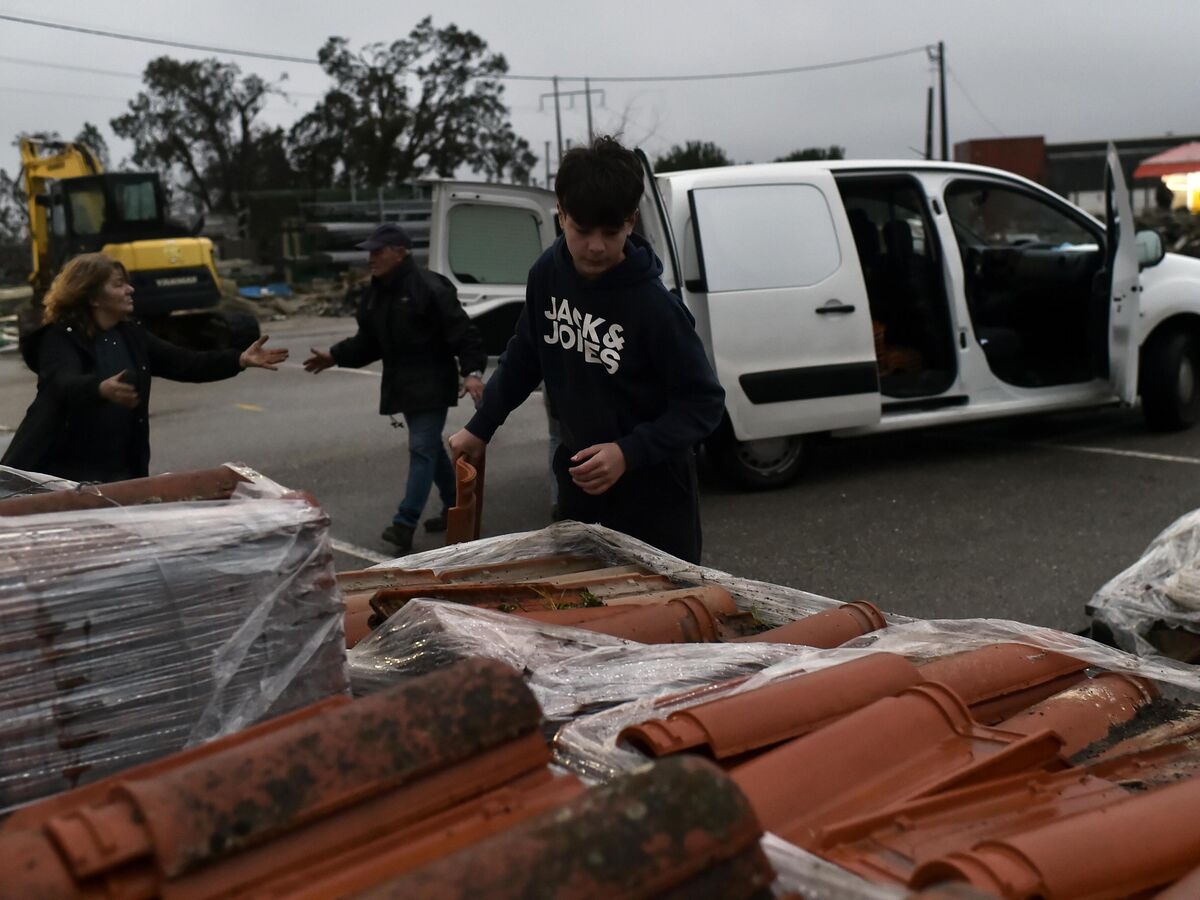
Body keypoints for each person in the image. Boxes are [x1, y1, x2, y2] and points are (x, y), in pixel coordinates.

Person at [448, 136, 725, 563]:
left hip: (655, 498)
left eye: (610, 232)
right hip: (578, 485)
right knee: (579, 594)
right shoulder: (547, 274)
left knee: (657, 601)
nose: (596, 246)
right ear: (561, 213)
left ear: (631, 221)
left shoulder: (656, 307)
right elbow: (526, 354)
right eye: (582, 230)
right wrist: (481, 427)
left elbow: (703, 403)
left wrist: (628, 452)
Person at [2, 252, 287, 483]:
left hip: (119, 474)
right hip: (56, 475)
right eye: (118, 285)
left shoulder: (131, 336)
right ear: (92, 297)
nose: (130, 290)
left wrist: (238, 359)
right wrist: (99, 389)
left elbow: (185, 363)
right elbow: (62, 382)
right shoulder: (59, 338)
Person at [304, 222, 487, 553]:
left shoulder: (429, 287)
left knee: (421, 448)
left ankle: (404, 523)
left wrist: (472, 371)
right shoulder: (377, 292)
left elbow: (462, 331)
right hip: (402, 386)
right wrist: (334, 355)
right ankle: (456, 504)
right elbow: (368, 341)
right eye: (369, 252)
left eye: (378, 251)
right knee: (429, 448)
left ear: (400, 253)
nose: (370, 258)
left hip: (432, 384)